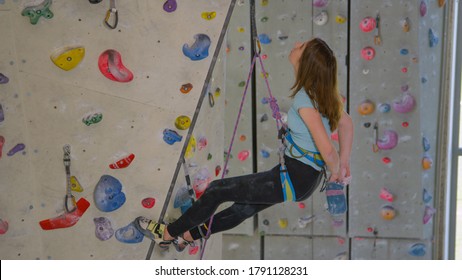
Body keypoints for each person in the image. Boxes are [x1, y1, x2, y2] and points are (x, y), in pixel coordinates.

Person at [134, 37, 354, 251]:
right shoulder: (323, 94)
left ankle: (166, 234)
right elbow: (347, 123)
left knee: (217, 191)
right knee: (243, 209)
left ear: (306, 62)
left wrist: (337, 171)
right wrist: (343, 163)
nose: (296, 45)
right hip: (302, 178)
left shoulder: (306, 101)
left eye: (302, 46)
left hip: (296, 176)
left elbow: (327, 150)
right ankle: (186, 236)